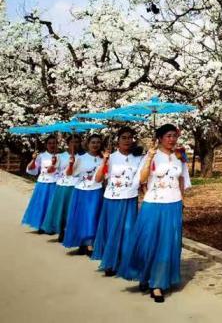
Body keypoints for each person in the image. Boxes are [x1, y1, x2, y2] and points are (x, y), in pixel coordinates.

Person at [117, 124, 191, 302]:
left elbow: (182, 179)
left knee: (168, 243)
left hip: (173, 203)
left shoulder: (179, 157)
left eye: (174, 135)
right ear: (159, 138)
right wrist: (149, 157)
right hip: (153, 203)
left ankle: (158, 283)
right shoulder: (150, 156)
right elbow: (141, 180)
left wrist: (181, 200)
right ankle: (144, 274)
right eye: (168, 136)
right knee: (148, 241)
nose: (172, 139)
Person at [91, 127, 143, 276]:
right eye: (124, 137)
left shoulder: (138, 158)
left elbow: (142, 178)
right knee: (112, 230)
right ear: (117, 141)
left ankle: (125, 261)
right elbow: (98, 179)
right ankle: (110, 262)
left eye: (130, 137)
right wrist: (105, 161)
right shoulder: (111, 157)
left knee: (128, 230)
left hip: (130, 198)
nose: (127, 140)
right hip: (112, 198)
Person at [62, 134, 104, 255]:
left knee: (92, 217)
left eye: (98, 142)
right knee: (81, 217)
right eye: (93, 142)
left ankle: (90, 244)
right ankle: (82, 243)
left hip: (96, 191)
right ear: (88, 144)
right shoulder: (80, 158)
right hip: (81, 191)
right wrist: (70, 164)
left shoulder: (104, 159)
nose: (95, 145)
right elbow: (69, 174)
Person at [40, 134, 81, 241]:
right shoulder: (60, 156)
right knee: (61, 210)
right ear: (68, 144)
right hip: (62, 186)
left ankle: (69, 231)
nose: (75, 144)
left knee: (71, 211)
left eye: (77, 142)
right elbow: (50, 171)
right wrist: (52, 164)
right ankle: (61, 230)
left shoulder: (82, 158)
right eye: (72, 141)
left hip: (76, 186)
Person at [21, 135, 59, 232]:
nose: (52, 145)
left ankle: (51, 226)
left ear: (57, 144)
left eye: (54, 143)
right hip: (43, 183)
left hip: (56, 183)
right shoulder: (41, 156)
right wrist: (33, 159)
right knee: (41, 204)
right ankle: (40, 225)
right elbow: (31, 169)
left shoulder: (60, 156)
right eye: (50, 143)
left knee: (52, 205)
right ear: (46, 145)